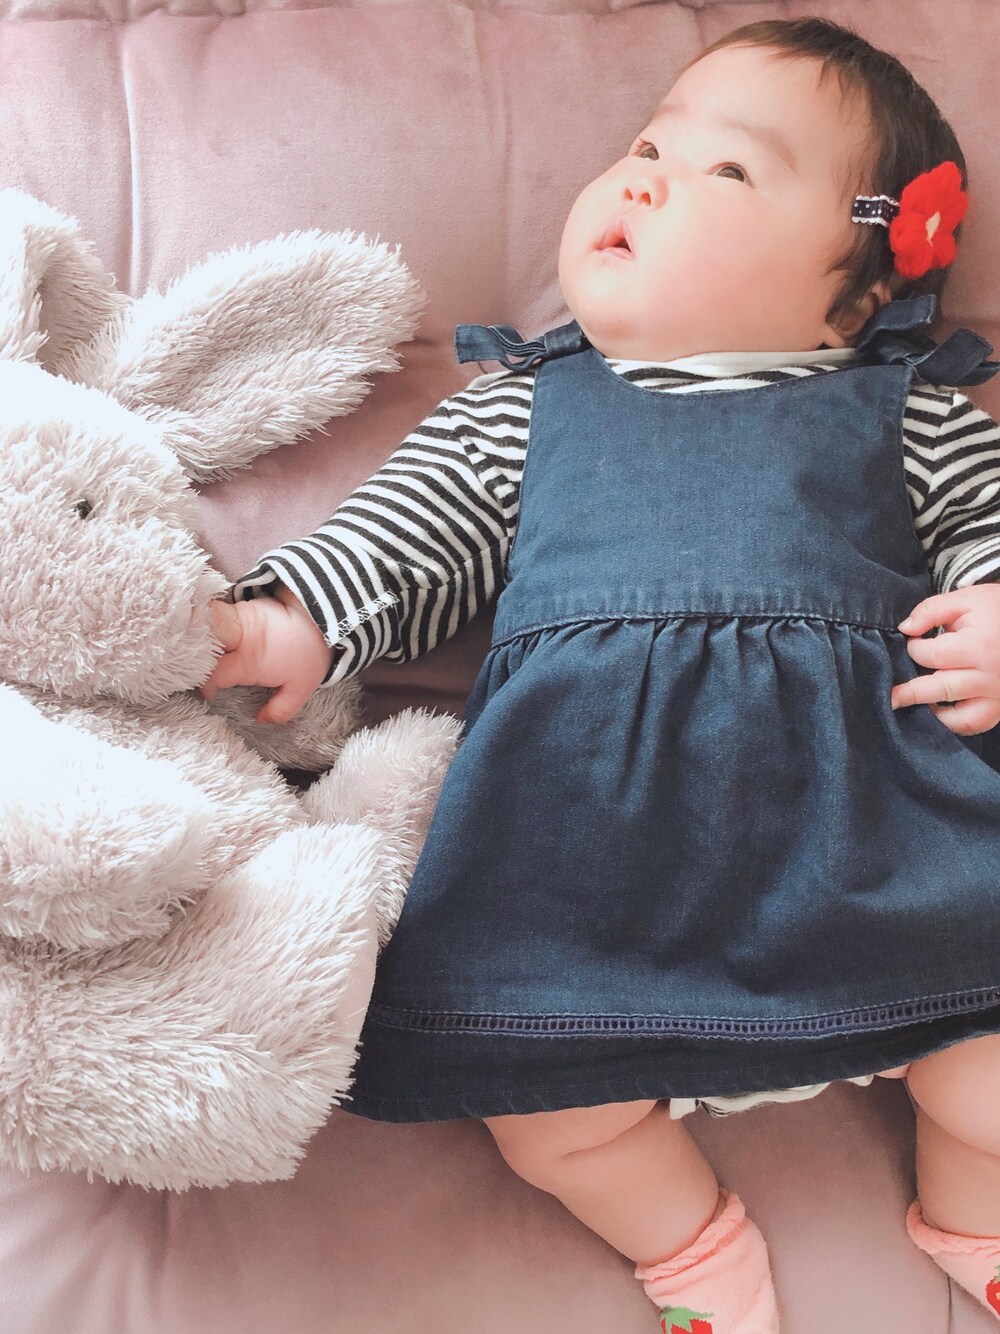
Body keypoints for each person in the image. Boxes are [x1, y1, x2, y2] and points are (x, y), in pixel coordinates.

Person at [201, 18, 1000, 1332]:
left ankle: (973, 1213)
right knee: (549, 1112)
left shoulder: (905, 409)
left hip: (874, 838)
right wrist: (298, 619)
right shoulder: (528, 405)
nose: (645, 179)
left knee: (987, 1071)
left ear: (857, 293)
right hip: (581, 849)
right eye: (645, 147)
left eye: (726, 170)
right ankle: (690, 1249)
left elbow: (987, 524)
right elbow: (408, 533)